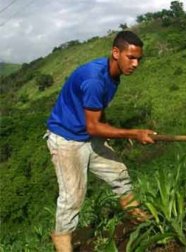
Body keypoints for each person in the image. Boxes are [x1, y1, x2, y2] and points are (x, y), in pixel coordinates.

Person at [46, 31, 154, 251]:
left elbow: (97, 114)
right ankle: (62, 240)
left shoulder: (113, 75)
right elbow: (93, 125)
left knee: (118, 172)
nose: (135, 64)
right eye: (130, 57)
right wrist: (133, 133)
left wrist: (108, 133)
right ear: (116, 53)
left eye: (138, 59)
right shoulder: (95, 79)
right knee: (72, 196)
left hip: (87, 135)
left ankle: (137, 216)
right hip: (66, 139)